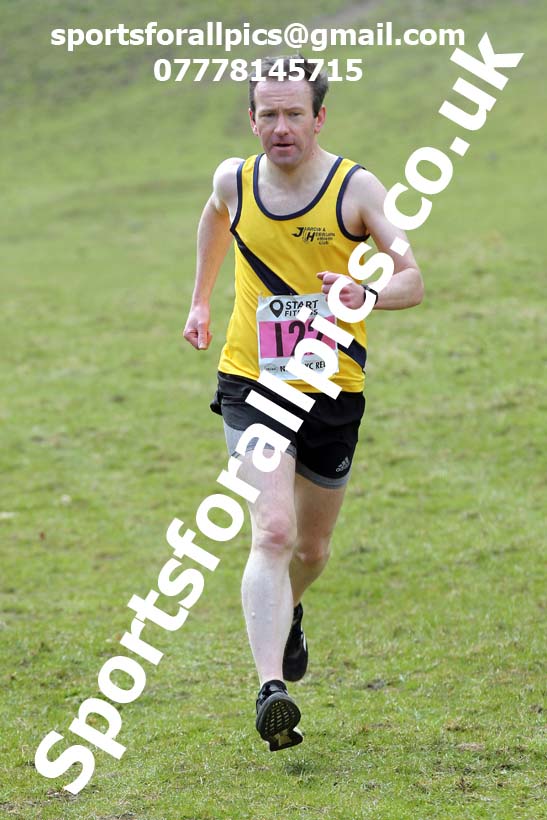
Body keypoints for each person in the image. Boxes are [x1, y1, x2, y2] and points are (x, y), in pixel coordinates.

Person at [183, 55, 424, 751]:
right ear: (250, 117)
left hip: (331, 389)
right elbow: (213, 218)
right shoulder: (234, 179)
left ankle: (285, 615)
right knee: (274, 531)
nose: (280, 127)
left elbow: (413, 278)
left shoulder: (356, 190)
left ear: (318, 117)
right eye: (268, 114)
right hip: (252, 381)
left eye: (294, 114)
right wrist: (199, 299)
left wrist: (365, 293)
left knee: (312, 549)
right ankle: (270, 690)